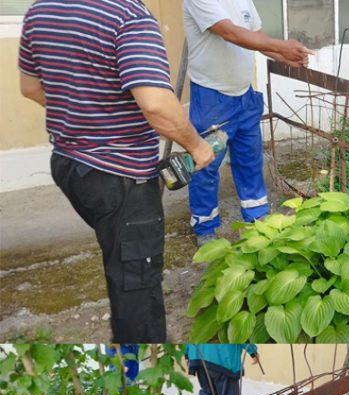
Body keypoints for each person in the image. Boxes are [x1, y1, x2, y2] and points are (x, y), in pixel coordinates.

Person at [18, 0, 215, 343]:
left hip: (68, 165)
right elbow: (157, 106)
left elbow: (30, 87)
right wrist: (197, 146)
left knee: (118, 255)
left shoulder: (41, 10)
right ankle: (135, 372)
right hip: (120, 178)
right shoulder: (128, 17)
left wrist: (84, 112)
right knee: (136, 287)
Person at [183, 0, 313, 245]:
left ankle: (257, 217)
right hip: (212, 98)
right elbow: (230, 32)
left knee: (250, 160)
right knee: (205, 164)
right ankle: (205, 226)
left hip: (244, 96)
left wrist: (283, 57)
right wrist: (283, 46)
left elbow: (256, 36)